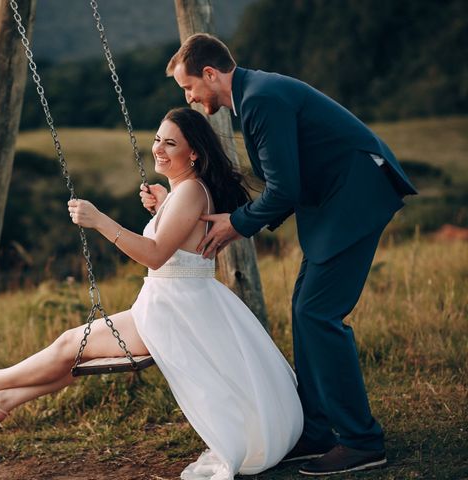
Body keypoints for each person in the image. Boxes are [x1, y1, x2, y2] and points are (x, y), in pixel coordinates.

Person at [0, 107, 303, 479]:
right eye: (157, 139)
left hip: (174, 313)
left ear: (194, 153)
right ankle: (4, 400)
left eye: (171, 143)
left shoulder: (191, 194)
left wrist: (99, 220)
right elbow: (181, 241)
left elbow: (154, 256)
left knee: (70, 343)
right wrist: (163, 202)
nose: (158, 149)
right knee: (81, 354)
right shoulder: (186, 191)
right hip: (180, 305)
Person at [150, 33, 418, 476]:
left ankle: (361, 441)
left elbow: (284, 188)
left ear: (210, 74)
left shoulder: (260, 100)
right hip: (334, 203)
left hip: (355, 197)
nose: (190, 97)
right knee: (305, 310)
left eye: (189, 87)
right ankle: (315, 433)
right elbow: (287, 180)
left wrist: (237, 224)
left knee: (318, 314)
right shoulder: (255, 95)